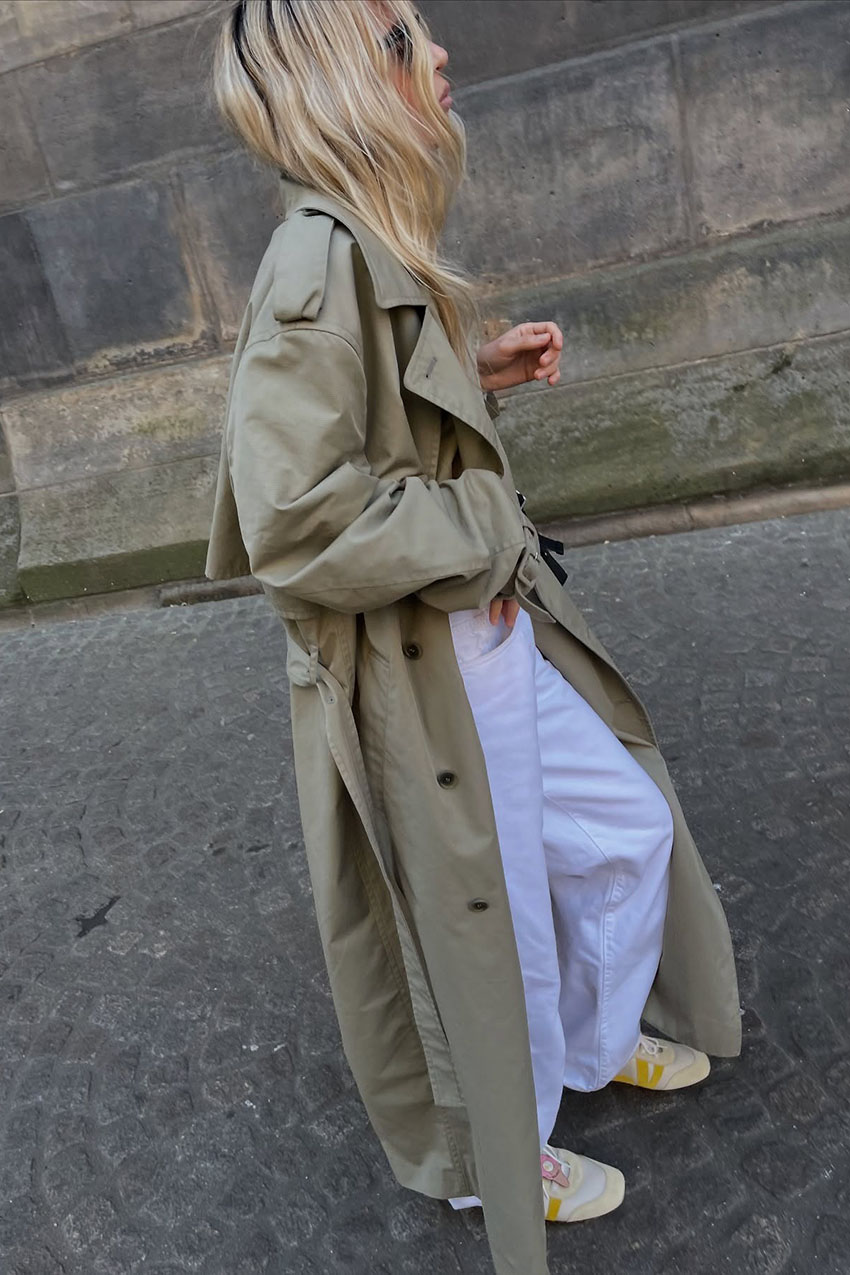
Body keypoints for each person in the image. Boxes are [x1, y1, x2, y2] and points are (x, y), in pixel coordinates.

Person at [203, 4, 742, 1272]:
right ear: (342, 84)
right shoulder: (314, 263)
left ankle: (595, 1046)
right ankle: (501, 1154)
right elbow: (290, 520)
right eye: (403, 39)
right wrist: (483, 508)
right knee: (481, 929)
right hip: (426, 669)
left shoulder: (361, 244)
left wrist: (469, 373)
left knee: (621, 829)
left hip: (482, 642)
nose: (440, 55)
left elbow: (362, 422)